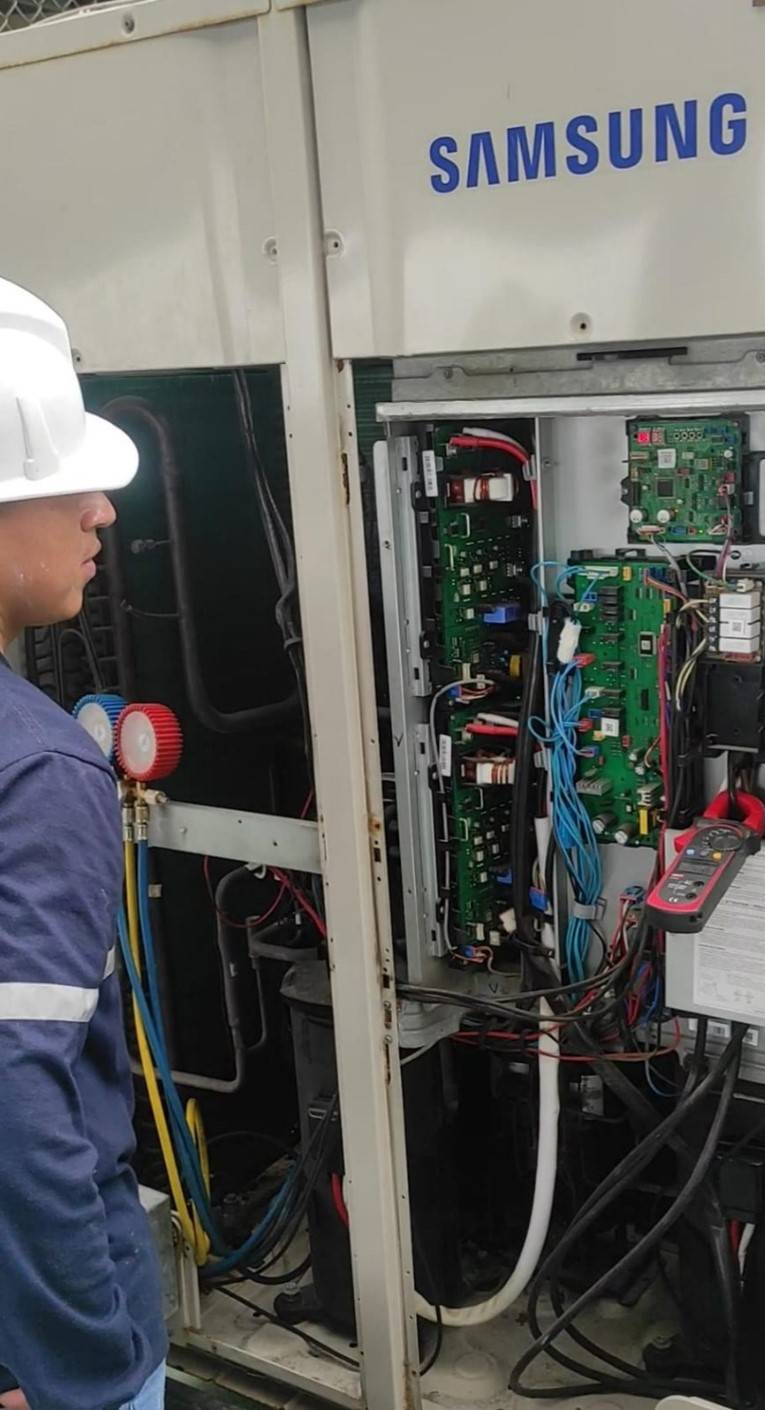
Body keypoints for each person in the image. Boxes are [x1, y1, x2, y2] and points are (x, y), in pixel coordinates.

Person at [0, 278, 167, 1410]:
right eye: (67, 482)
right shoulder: (40, 771)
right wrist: (80, 1366)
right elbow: (16, 1105)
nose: (101, 511)